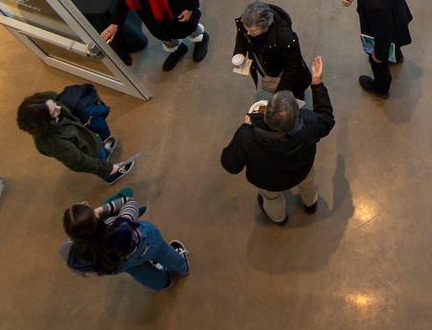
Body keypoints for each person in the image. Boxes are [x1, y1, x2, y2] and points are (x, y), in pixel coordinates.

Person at [221, 56, 334, 224]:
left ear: (265, 113)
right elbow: (327, 118)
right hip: (301, 171)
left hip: (268, 180)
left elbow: (230, 165)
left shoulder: (247, 137)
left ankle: (279, 218)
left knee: (271, 200)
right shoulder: (309, 125)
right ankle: (310, 204)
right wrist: (316, 83)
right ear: (296, 114)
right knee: (308, 186)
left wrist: (244, 127)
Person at [59, 192, 189, 291]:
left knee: (139, 272)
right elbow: (129, 202)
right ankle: (182, 267)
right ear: (95, 219)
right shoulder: (120, 227)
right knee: (164, 253)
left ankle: (162, 283)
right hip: (147, 244)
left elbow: (66, 247)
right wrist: (100, 210)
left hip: (121, 264)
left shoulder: (77, 252)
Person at [100, 0, 207, 72]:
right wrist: (115, 23)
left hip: (174, 9)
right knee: (163, 34)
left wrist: (189, 8)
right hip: (151, 15)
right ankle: (177, 49)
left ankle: (201, 39)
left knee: (188, 28)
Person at [17, 90, 135, 184]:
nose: (59, 108)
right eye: (54, 111)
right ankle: (111, 176)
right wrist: (107, 169)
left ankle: (102, 150)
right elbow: (80, 162)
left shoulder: (44, 107)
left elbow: (52, 95)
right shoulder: (57, 144)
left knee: (98, 146)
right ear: (45, 122)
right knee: (97, 158)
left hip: (84, 136)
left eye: (54, 104)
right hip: (87, 151)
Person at [340, 0, 413, 98]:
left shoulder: (375, 4)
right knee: (396, 41)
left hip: (384, 27)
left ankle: (381, 88)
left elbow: (383, 34)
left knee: (378, 61)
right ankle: (397, 57)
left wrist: (379, 56)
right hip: (398, 16)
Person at [232, 1, 311, 99]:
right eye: (246, 29)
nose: (248, 33)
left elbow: (293, 68)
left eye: (252, 31)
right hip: (269, 66)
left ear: (265, 26)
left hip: (288, 78)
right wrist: (239, 52)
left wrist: (279, 94)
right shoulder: (249, 19)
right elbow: (242, 34)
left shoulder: (286, 39)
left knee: (293, 97)